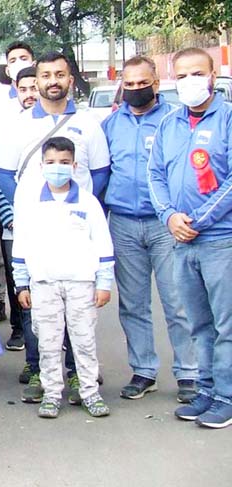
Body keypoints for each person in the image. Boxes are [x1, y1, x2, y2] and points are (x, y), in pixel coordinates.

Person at [0, 51, 111, 404]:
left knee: (77, 307)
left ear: (70, 79)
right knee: (34, 305)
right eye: (46, 75)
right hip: (31, 233)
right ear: (36, 81)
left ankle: (77, 375)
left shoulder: (89, 124)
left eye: (60, 74)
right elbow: (3, 175)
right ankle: (38, 370)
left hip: (77, 233)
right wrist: (25, 215)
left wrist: (74, 210)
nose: (53, 81)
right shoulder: (18, 125)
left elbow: (100, 174)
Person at [102, 56, 198, 403]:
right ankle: (143, 370)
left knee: (178, 301)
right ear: (122, 86)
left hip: (166, 223)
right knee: (133, 304)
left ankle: (189, 373)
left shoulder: (175, 121)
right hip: (124, 223)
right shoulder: (111, 124)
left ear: (156, 83)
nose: (136, 89)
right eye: (129, 84)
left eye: (143, 83)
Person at [149, 48, 232, 428]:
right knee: (198, 323)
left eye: (197, 73)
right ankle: (207, 390)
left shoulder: (228, 118)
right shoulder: (169, 123)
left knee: (226, 324)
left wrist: (198, 219)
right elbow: (157, 176)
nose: (189, 82)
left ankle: (227, 398)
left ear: (213, 75)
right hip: (181, 239)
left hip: (219, 239)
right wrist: (169, 216)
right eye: (181, 76)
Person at [13, 136, 114, 419]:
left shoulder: (88, 202)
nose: (58, 168)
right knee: (47, 340)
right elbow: (21, 246)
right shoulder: (32, 204)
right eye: (52, 162)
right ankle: (52, 393)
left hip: (81, 282)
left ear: (75, 165)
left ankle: (89, 392)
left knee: (83, 340)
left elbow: (103, 245)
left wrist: (103, 283)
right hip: (44, 283)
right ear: (42, 165)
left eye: (65, 163)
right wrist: (22, 283)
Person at [0, 65, 39, 359]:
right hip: (14, 226)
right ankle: (29, 351)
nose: (30, 94)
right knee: (20, 284)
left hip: (55, 229)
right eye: (24, 89)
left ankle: (72, 363)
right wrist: (10, 218)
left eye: (34, 87)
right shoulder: (7, 129)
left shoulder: (64, 124)